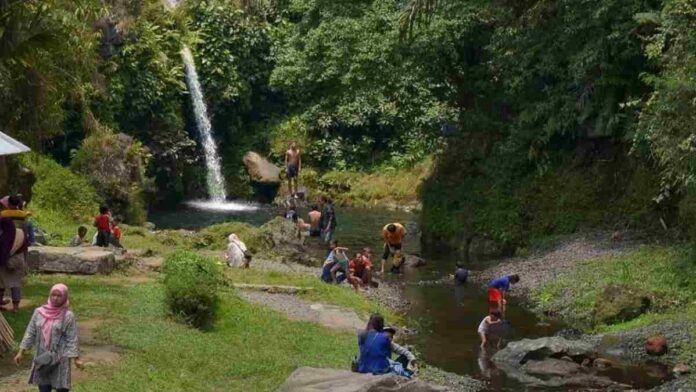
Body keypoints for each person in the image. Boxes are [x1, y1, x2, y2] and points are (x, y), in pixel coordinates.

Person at [15, 283, 84, 392]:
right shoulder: (38, 312)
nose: (55, 298)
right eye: (53, 295)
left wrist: (76, 358)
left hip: (61, 357)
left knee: (61, 387)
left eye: (59, 296)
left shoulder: (68, 315)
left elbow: (72, 338)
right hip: (43, 356)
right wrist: (21, 352)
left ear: (65, 297)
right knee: (44, 386)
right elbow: (30, 332)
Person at [0, 217, 28, 312]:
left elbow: (2, 252)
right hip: (18, 259)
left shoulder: (2, 236)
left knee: (1, 283)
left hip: (4, 262)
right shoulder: (20, 232)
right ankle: (15, 307)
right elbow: (26, 245)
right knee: (16, 284)